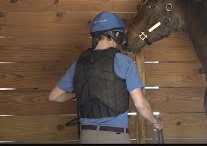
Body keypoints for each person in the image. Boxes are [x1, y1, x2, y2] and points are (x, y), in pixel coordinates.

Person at [48, 11, 163, 144]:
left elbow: (54, 96)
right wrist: (156, 121)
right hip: (115, 137)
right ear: (117, 35)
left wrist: (78, 93)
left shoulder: (79, 63)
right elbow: (140, 104)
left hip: (86, 136)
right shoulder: (123, 61)